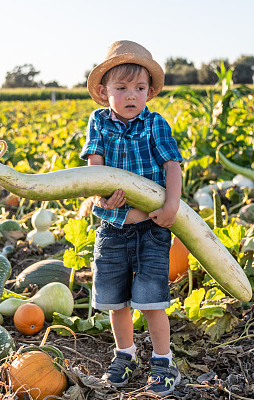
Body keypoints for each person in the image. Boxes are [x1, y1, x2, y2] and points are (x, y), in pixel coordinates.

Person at [80, 40, 183, 396]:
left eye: (139, 88)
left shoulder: (155, 124)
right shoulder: (98, 121)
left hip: (151, 229)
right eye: (121, 88)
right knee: (114, 300)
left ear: (149, 92)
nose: (130, 95)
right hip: (111, 227)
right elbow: (94, 163)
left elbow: (172, 165)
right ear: (103, 90)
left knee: (152, 300)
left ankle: (162, 360)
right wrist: (101, 191)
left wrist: (171, 205)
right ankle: (124, 354)